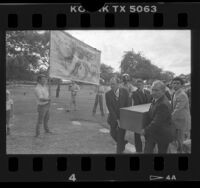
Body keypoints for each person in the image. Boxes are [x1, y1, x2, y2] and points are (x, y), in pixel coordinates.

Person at [141, 80, 174, 153]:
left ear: (163, 91)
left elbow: (156, 122)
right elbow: (150, 114)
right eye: (152, 89)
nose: (153, 92)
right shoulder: (155, 99)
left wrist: (145, 130)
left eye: (156, 90)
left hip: (163, 134)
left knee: (161, 152)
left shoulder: (163, 104)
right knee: (147, 150)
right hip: (154, 132)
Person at [105, 77, 130, 153]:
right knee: (112, 134)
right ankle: (122, 143)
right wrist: (117, 119)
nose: (111, 86)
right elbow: (110, 108)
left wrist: (123, 118)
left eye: (113, 84)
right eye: (110, 84)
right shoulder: (107, 94)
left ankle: (119, 150)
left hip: (123, 118)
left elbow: (128, 104)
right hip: (113, 118)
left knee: (120, 136)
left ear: (118, 84)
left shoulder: (125, 91)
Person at [132, 79, 152, 153]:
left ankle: (148, 149)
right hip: (138, 115)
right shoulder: (134, 93)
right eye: (138, 85)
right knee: (137, 134)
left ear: (143, 84)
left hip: (147, 116)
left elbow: (150, 102)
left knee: (147, 133)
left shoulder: (148, 92)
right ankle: (138, 150)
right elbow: (137, 104)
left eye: (140, 84)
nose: (139, 86)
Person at [171, 77, 191, 153]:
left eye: (177, 83)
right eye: (174, 83)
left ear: (182, 85)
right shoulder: (175, 93)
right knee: (178, 140)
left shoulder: (182, 95)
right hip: (177, 120)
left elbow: (177, 109)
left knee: (182, 141)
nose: (175, 85)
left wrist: (169, 118)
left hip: (182, 121)